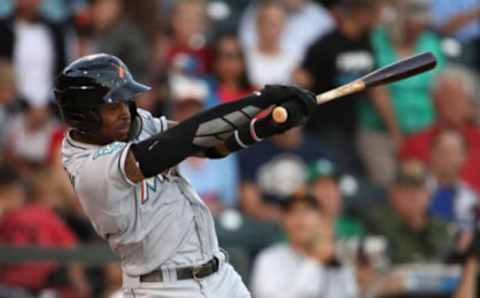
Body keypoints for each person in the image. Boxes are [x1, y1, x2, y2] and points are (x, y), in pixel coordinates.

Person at [55, 53, 317, 297]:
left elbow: (207, 144)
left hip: (220, 276)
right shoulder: (89, 169)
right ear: (84, 115)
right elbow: (183, 140)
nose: (125, 111)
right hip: (164, 287)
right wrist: (260, 99)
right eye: (113, 105)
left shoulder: (128, 126)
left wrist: (265, 126)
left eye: (126, 100)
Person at [357, 0, 445, 186]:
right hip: (380, 131)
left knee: (423, 184)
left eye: (423, 23)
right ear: (402, 20)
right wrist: (395, 132)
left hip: (423, 130)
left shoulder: (431, 42)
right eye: (414, 22)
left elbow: (440, 87)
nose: (419, 27)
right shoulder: (376, 40)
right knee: (387, 181)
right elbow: (377, 90)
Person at [296, 0, 380, 174]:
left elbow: (375, 88)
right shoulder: (325, 45)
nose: (378, 18)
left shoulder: (366, 43)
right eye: (374, 12)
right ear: (360, 12)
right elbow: (302, 77)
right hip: (323, 126)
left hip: (351, 124)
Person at [251, 193, 359, 298]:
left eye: (308, 210)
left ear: (322, 220)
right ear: (283, 221)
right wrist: (315, 261)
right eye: (292, 211)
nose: (300, 217)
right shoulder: (269, 259)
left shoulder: (336, 259)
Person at [400, 65, 480, 193]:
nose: (452, 105)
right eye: (447, 99)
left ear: (471, 102)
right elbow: (407, 190)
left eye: (457, 98)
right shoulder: (415, 144)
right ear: (433, 102)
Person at [367, 161, 451, 264]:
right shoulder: (376, 223)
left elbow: (444, 258)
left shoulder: (439, 225)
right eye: (405, 190)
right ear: (392, 193)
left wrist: (420, 224)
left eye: (418, 190)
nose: (412, 196)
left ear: (428, 196)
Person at [0, 0, 67, 107]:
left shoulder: (55, 30)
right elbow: (4, 71)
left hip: (50, 110)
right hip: (12, 109)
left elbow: (60, 71)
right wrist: (25, 107)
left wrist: (49, 107)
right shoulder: (3, 28)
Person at [239, 0, 334, 61]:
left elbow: (331, 49)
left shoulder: (320, 16)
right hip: (259, 69)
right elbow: (246, 47)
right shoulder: (259, 10)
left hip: (304, 77)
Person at [428, 130, 477, 232]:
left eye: (453, 152)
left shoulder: (472, 199)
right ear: (432, 154)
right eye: (442, 151)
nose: (447, 157)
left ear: (464, 158)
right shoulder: (414, 191)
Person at [244, 0, 301, 87]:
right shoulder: (244, 57)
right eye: (268, 23)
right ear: (257, 24)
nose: (273, 30)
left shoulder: (294, 61)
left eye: (277, 24)